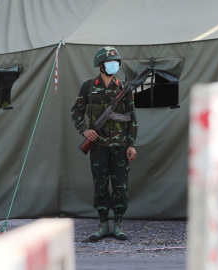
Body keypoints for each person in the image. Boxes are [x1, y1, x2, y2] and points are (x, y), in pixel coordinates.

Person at [71, 47, 137, 241]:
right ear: (100, 66)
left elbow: (132, 118)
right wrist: (84, 130)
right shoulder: (88, 87)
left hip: (120, 147)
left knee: (120, 187)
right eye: (109, 63)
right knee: (100, 186)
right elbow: (76, 112)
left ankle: (118, 224)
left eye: (116, 62)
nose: (113, 66)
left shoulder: (124, 88)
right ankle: (102, 225)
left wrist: (131, 144)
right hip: (98, 146)